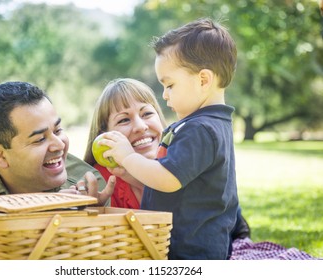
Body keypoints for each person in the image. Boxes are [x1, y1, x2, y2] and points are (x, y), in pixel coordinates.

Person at [98, 18, 240, 259]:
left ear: (203, 80)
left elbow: (169, 179)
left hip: (191, 252)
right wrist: (133, 174)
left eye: (170, 85)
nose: (164, 95)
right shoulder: (210, 124)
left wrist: (128, 156)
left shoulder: (200, 129)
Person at [0, 81, 115, 245]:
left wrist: (90, 219)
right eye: (39, 139)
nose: (59, 144)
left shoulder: (89, 185)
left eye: (58, 130)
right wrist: (50, 212)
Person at [84, 78, 167, 208]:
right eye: (124, 120)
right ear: (105, 136)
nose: (140, 126)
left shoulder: (184, 162)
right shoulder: (101, 182)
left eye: (147, 113)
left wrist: (138, 181)